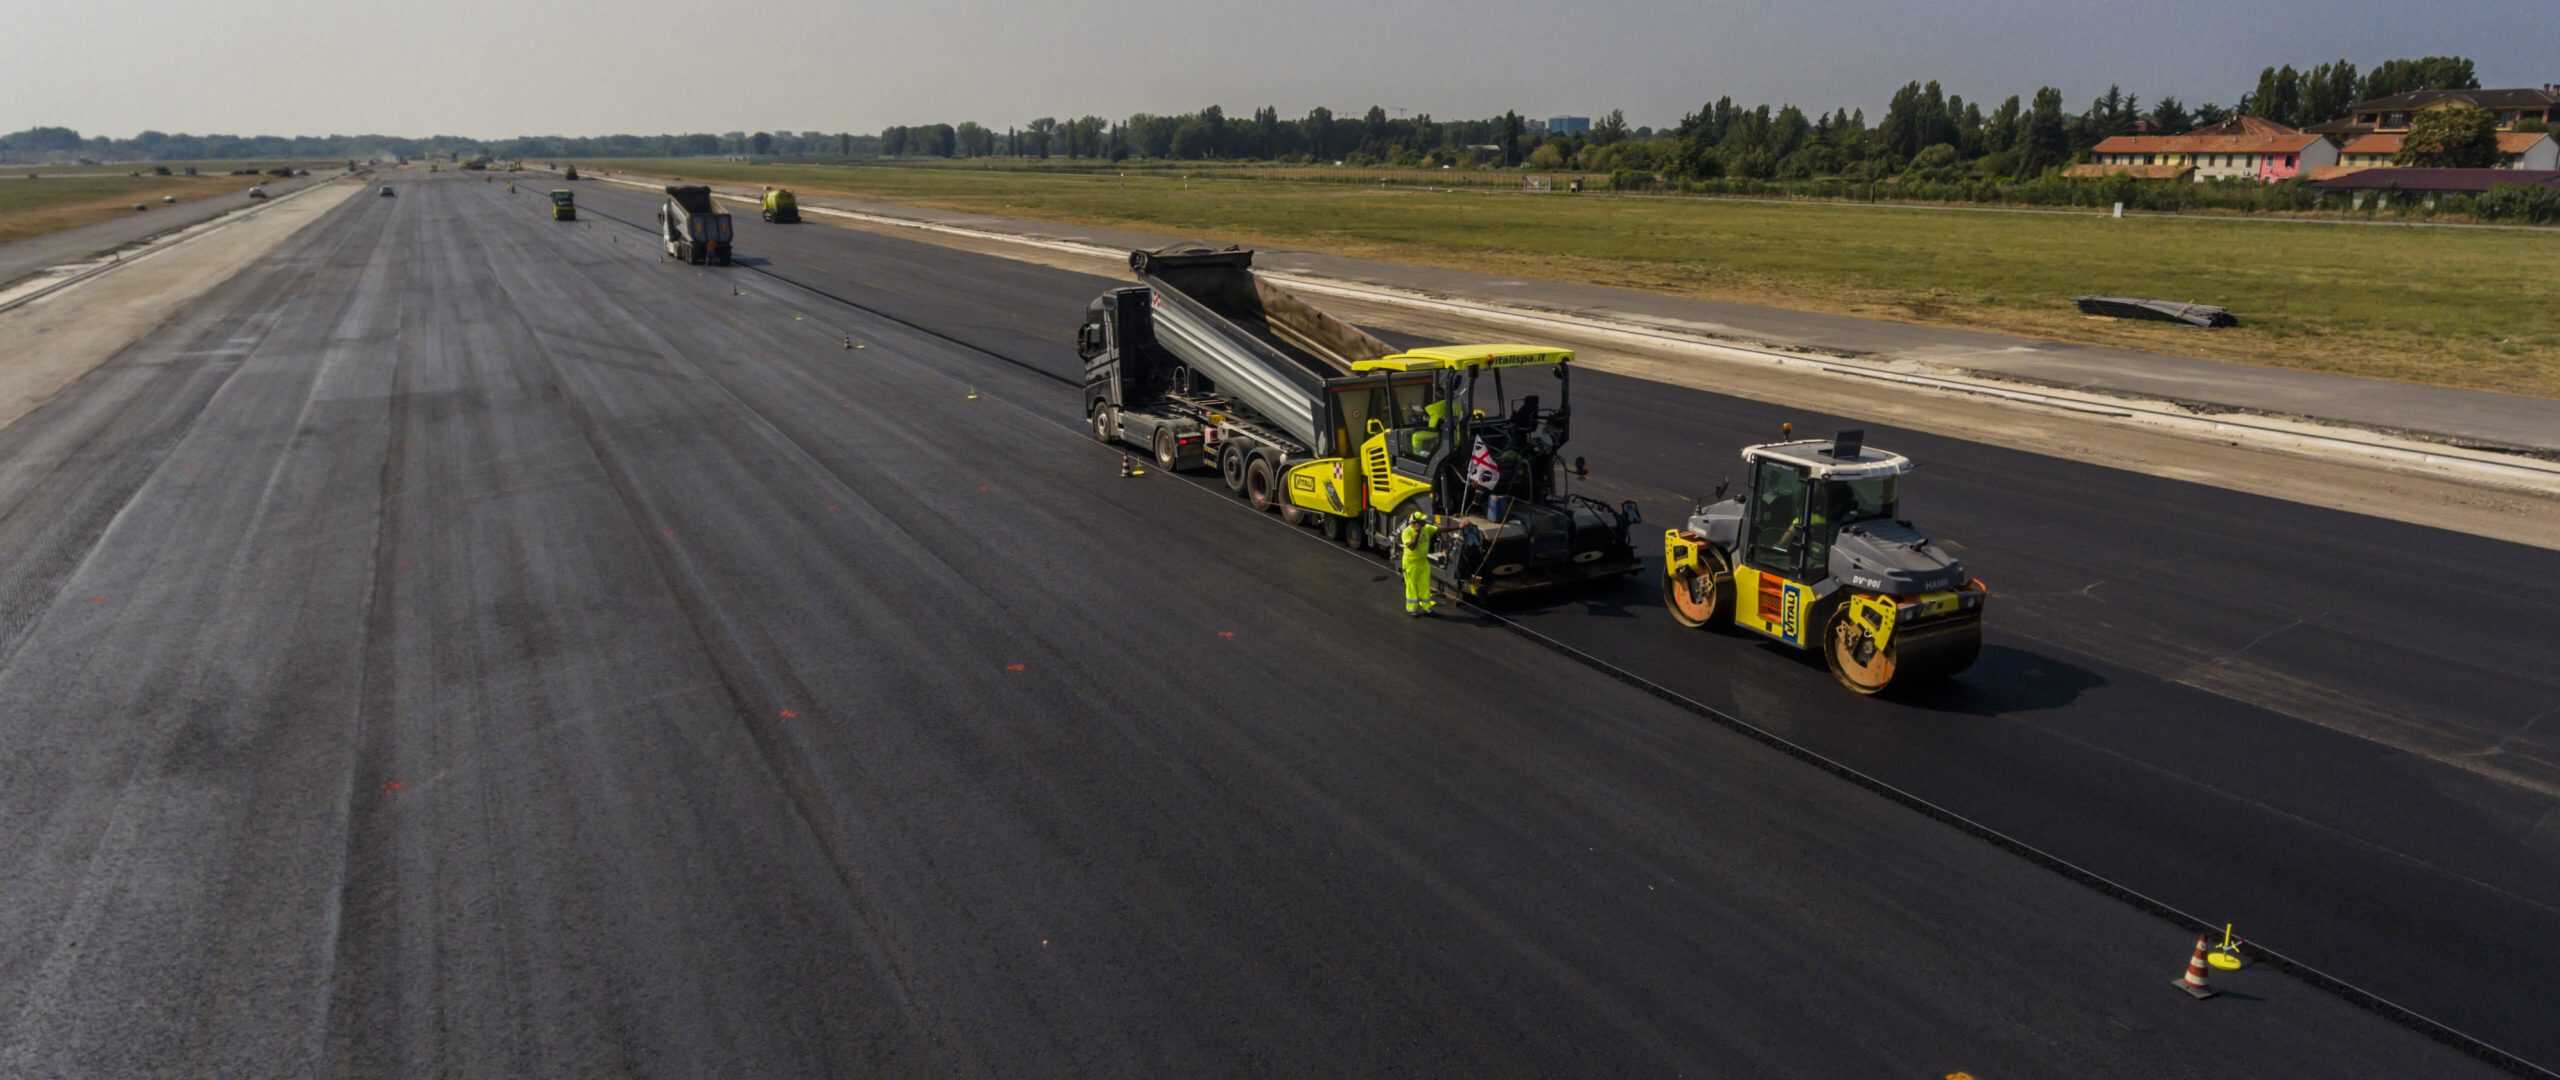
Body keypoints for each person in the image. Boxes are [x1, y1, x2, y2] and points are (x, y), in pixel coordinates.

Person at [1399, 512, 1441, 616]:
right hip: (1410, 564)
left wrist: (1458, 527)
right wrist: (1417, 533)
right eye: (1422, 521)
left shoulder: (1426, 528)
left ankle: (1426, 607)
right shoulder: (1406, 532)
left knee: (1425, 585)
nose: (1424, 522)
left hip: (1423, 562)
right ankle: (1412, 609)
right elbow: (1411, 547)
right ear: (1415, 523)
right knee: (1411, 586)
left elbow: (1438, 529)